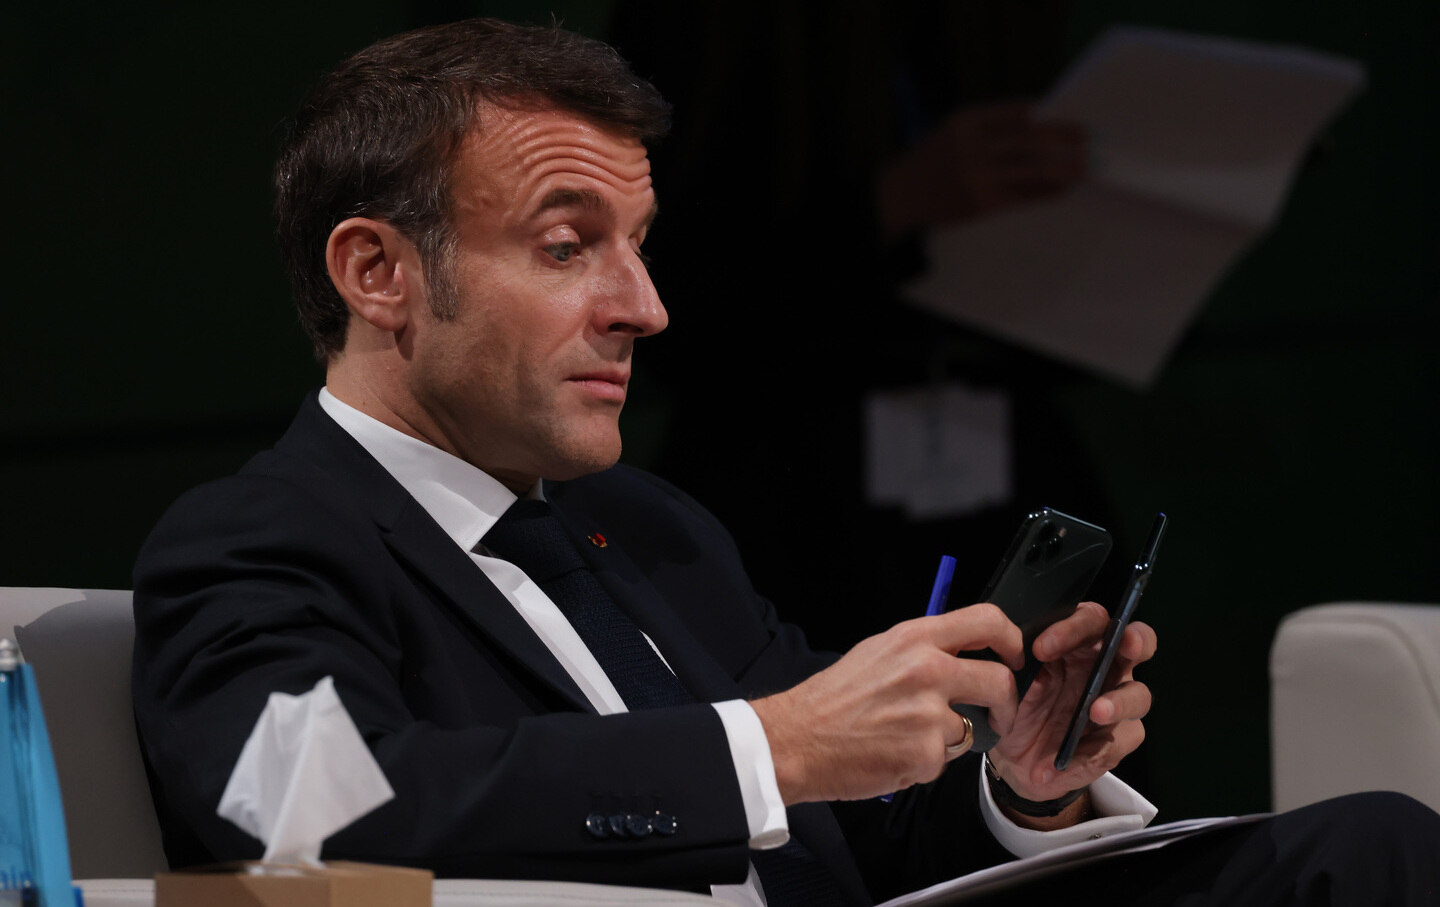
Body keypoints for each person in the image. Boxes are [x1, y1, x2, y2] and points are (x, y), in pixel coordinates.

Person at [132, 18, 1440, 906]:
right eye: (567, 243)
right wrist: (759, 746)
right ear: (377, 273)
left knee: (1372, 848)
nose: (644, 306)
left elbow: (862, 827)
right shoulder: (260, 539)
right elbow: (307, 823)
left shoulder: (651, 528)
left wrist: (1019, 791)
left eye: (642, 244)